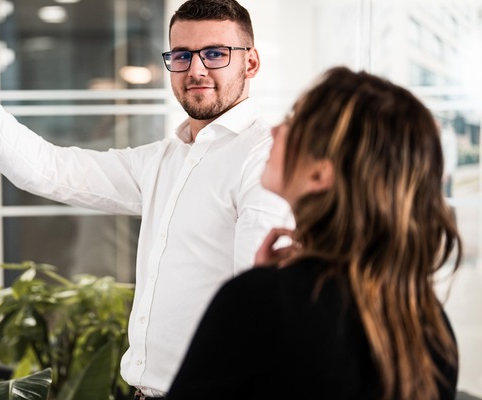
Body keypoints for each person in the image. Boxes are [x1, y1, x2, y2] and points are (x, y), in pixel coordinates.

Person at [0, 0, 291, 397]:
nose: (196, 70)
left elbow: (261, 307)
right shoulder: (165, 159)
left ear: (251, 63)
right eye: (182, 55)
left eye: (215, 54)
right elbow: (45, 169)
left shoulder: (265, 159)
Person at [167, 66, 460, 400]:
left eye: (293, 120)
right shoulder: (429, 324)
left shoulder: (261, 304)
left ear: (321, 174)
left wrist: (262, 293)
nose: (276, 129)